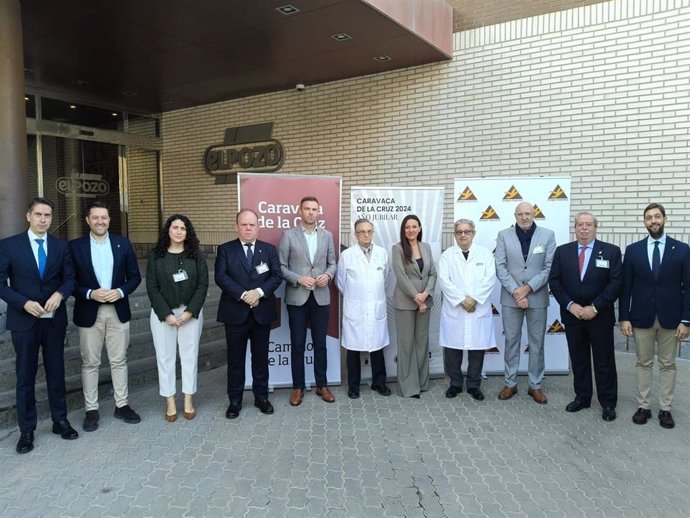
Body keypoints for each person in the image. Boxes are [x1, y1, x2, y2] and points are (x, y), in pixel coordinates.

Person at [0, 197, 77, 454]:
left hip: (54, 320)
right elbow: (0, 285)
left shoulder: (60, 247)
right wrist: (23, 303)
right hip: (24, 320)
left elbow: (69, 279)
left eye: (48, 215)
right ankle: (27, 430)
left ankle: (60, 421)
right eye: (39, 215)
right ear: (28, 216)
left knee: (56, 372)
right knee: (25, 377)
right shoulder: (9, 246)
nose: (44, 219)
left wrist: (60, 294)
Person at [69, 201, 143, 432]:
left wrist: (119, 291)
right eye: (95, 218)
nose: (100, 221)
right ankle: (91, 409)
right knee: (90, 362)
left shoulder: (122, 244)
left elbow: (134, 277)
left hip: (117, 310)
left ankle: (122, 405)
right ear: (88, 220)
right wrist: (91, 293)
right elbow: (69, 282)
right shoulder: (75, 247)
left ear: (110, 220)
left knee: (119, 360)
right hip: (89, 311)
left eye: (104, 217)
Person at [619, 203, 690, 429]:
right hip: (641, 317)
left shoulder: (682, 249)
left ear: (665, 219)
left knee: (668, 364)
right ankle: (643, 406)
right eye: (649, 218)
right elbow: (625, 288)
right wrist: (624, 317)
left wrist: (686, 320)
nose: (653, 221)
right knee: (643, 362)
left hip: (671, 317)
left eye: (657, 217)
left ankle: (666, 409)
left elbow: (688, 287)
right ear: (644, 222)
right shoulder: (633, 250)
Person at [548, 212, 622, 422]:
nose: (584, 228)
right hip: (573, 316)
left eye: (588, 224)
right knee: (579, 359)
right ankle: (582, 397)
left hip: (599, 317)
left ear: (595, 228)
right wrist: (571, 306)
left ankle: (608, 402)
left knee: (604, 361)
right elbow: (555, 282)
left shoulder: (611, 251)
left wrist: (595, 307)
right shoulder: (563, 252)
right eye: (580, 224)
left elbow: (616, 283)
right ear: (575, 228)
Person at [215, 209, 282, 419]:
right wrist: (244, 294)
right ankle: (235, 401)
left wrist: (259, 293)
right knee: (235, 360)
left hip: (261, 313)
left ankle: (261, 397)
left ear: (258, 227)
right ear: (236, 227)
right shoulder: (225, 249)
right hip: (235, 313)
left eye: (252, 224)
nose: (248, 228)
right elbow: (221, 277)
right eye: (244, 224)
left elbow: (276, 275)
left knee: (261, 358)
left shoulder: (269, 250)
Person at [146, 214, 208, 422]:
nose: (179, 231)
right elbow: (152, 287)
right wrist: (166, 314)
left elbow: (202, 285)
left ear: (187, 232)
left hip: (190, 314)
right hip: (163, 315)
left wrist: (190, 312)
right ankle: (170, 401)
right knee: (165, 358)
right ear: (168, 230)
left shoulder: (196, 255)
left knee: (189, 356)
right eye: (175, 227)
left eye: (183, 228)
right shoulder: (156, 255)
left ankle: (188, 399)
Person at [495, 201, 556, 404]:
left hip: (537, 297)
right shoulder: (504, 235)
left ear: (534, 213)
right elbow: (500, 266)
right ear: (515, 215)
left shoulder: (547, 235)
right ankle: (510, 383)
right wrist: (516, 292)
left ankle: (535, 385)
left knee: (537, 343)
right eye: (520, 213)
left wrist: (528, 288)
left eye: (528, 213)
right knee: (511, 341)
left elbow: (549, 267)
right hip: (511, 299)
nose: (524, 217)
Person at [278, 196, 337, 406]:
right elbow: (281, 267)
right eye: (307, 209)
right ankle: (298, 387)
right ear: (300, 211)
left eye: (314, 209)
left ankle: (322, 385)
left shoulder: (327, 236)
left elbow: (333, 263)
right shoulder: (288, 235)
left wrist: (328, 276)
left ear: (319, 212)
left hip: (320, 297)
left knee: (320, 344)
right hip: (298, 297)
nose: (311, 212)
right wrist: (298, 278)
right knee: (298, 345)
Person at [437, 219, 496, 401]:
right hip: (456, 309)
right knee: (453, 350)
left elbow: (490, 278)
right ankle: (455, 384)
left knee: (476, 350)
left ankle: (473, 385)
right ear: (455, 234)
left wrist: (475, 299)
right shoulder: (447, 255)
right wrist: (462, 300)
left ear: (473, 233)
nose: (463, 235)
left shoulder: (485, 254)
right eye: (459, 232)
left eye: (467, 231)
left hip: (477, 308)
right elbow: (444, 280)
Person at [336, 218, 392, 399]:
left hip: (376, 306)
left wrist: (371, 295)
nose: (366, 235)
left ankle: (379, 383)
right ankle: (353, 386)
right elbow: (341, 282)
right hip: (356, 308)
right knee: (353, 350)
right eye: (361, 232)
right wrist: (359, 297)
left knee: (377, 348)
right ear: (355, 234)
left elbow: (386, 278)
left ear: (373, 232)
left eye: (369, 231)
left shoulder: (382, 254)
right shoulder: (347, 255)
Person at [391, 214, 437, 398]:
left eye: (414, 226)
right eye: (407, 227)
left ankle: (421, 383)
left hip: (425, 301)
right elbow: (401, 276)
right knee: (406, 345)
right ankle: (408, 387)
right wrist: (417, 298)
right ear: (403, 230)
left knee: (421, 343)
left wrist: (426, 294)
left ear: (419, 228)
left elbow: (433, 273)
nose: (411, 230)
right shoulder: (397, 248)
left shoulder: (426, 247)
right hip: (406, 303)